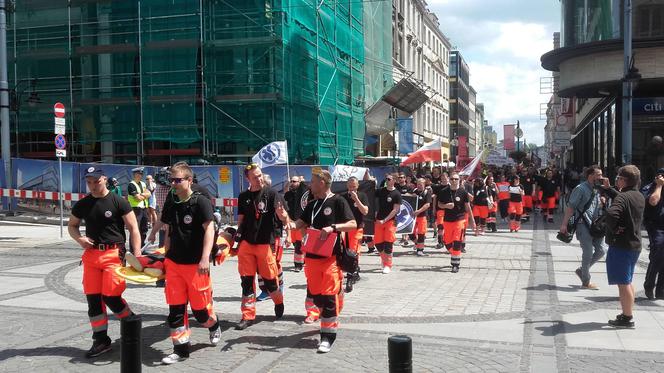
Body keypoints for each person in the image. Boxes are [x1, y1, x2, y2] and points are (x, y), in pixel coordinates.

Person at [68, 166, 141, 358]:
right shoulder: (83, 204)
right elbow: (72, 225)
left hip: (113, 254)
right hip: (91, 256)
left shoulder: (118, 201)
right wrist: (79, 239)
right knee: (93, 301)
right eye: (89, 182)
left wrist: (137, 254)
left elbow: (134, 228)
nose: (92, 186)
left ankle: (132, 324)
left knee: (111, 297)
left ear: (104, 179)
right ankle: (101, 341)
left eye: (96, 181)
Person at [158, 162, 220, 364]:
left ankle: (213, 324)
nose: (173, 184)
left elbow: (209, 230)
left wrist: (205, 258)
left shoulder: (200, 202)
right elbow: (169, 229)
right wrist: (165, 254)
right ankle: (180, 349)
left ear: (189, 180)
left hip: (195, 265)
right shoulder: (172, 200)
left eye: (177, 180)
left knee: (201, 312)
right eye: (171, 180)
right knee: (175, 309)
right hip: (174, 263)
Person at [291, 170, 356, 353]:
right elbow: (298, 225)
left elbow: (352, 224)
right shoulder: (312, 204)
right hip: (311, 258)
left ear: (323, 182)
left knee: (328, 298)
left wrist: (333, 227)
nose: (310, 185)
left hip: (330, 258)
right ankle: (338, 295)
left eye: (313, 181)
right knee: (317, 297)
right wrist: (284, 219)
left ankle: (327, 337)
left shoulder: (338, 201)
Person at [234, 164, 289, 330]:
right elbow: (241, 219)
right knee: (247, 281)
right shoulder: (243, 196)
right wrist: (236, 237)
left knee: (270, 281)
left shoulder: (272, 194)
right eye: (254, 177)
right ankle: (247, 316)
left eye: (259, 175)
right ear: (247, 179)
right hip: (246, 243)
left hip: (265, 243)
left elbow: (285, 217)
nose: (259, 179)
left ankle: (278, 302)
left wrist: (282, 215)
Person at [602, 165, 645, 328]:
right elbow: (624, 199)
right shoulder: (638, 196)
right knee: (627, 280)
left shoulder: (622, 197)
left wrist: (615, 228)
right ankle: (627, 313)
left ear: (624, 180)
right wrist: (610, 190)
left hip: (621, 245)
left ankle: (627, 317)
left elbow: (612, 214)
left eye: (618, 178)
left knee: (623, 282)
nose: (617, 180)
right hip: (634, 243)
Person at [559, 165, 606, 290]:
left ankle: (582, 270)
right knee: (588, 252)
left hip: (595, 225)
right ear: (590, 176)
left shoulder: (597, 189)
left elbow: (595, 207)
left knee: (601, 250)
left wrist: (602, 202)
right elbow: (571, 208)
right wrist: (564, 224)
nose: (601, 177)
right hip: (582, 224)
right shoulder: (580, 189)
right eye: (598, 174)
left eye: (601, 174)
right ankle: (586, 281)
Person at [439, 172, 475, 273]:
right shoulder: (444, 191)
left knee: (457, 242)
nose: (454, 181)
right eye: (452, 179)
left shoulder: (463, 192)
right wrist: (446, 206)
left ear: (459, 180)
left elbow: (468, 207)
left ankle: (455, 264)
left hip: (460, 220)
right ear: (449, 180)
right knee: (447, 242)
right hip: (447, 220)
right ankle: (455, 254)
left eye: (456, 179)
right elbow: (439, 204)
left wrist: (473, 222)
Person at [340, 176, 369, 279]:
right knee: (344, 250)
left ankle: (352, 272)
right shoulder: (342, 197)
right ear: (347, 186)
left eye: (354, 186)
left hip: (357, 228)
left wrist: (356, 199)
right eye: (350, 186)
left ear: (358, 186)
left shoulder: (362, 196)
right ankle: (350, 268)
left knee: (354, 249)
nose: (352, 188)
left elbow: (365, 211)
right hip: (345, 228)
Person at [642, 168, 664, 300]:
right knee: (657, 253)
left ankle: (661, 291)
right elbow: (653, 201)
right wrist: (659, 186)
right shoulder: (650, 188)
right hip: (656, 226)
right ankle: (649, 285)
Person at [374, 173, 402, 274]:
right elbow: (370, 189)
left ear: (394, 180)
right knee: (378, 243)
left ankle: (387, 265)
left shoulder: (397, 194)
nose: (387, 180)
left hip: (390, 221)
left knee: (388, 244)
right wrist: (368, 177)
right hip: (378, 220)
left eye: (389, 179)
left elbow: (395, 210)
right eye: (386, 179)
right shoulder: (381, 190)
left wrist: (384, 220)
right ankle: (384, 259)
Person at [284, 175, 308, 272]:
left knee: (299, 244)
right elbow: (285, 194)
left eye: (294, 181)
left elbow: (306, 188)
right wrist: (287, 183)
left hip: (300, 222)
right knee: (295, 244)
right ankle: (303, 260)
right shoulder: (290, 193)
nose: (293, 183)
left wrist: (302, 181)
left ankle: (298, 265)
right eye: (292, 181)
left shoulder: (303, 191)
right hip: (291, 222)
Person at [127, 167, 151, 246]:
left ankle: (141, 247)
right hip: (135, 209)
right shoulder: (131, 185)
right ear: (134, 175)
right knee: (135, 229)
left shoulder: (143, 184)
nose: (141, 175)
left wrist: (142, 195)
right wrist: (144, 195)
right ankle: (133, 249)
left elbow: (149, 194)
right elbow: (137, 198)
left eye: (141, 174)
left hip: (144, 209)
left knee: (144, 229)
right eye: (139, 174)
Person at [410, 178, 432, 256]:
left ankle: (420, 250)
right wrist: (410, 196)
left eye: (421, 184)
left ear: (424, 185)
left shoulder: (427, 192)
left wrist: (418, 211)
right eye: (418, 184)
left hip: (422, 216)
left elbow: (427, 205)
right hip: (413, 216)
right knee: (410, 232)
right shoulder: (414, 191)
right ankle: (417, 243)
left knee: (421, 233)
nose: (419, 186)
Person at [433, 172, 450, 248]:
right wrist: (434, 208)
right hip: (440, 209)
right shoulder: (437, 187)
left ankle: (447, 241)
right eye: (442, 177)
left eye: (445, 177)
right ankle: (440, 242)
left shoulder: (451, 187)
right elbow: (435, 198)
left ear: (448, 178)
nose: (443, 179)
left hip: (449, 210)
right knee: (440, 226)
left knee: (447, 227)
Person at [396, 173, 412, 247]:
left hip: (407, 208)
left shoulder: (409, 187)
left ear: (405, 178)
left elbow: (413, 196)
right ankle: (403, 238)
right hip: (398, 207)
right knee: (400, 222)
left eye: (401, 177)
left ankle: (406, 238)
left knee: (405, 221)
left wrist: (407, 194)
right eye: (399, 177)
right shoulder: (396, 187)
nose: (400, 179)